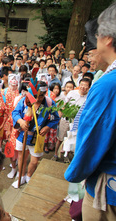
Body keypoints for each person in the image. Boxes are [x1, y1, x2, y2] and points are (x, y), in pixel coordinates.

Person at [65, 3, 116, 220]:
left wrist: (74, 174)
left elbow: (92, 139)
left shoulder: (108, 84)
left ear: (108, 38)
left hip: (107, 186)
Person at [11, 82, 60, 188]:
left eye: (41, 95)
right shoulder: (24, 100)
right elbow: (15, 113)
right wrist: (21, 121)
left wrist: (47, 127)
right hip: (23, 134)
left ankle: (29, 176)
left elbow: (56, 118)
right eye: (36, 96)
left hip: (37, 136)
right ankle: (22, 175)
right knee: (22, 157)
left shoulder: (49, 102)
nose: (38, 98)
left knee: (34, 160)